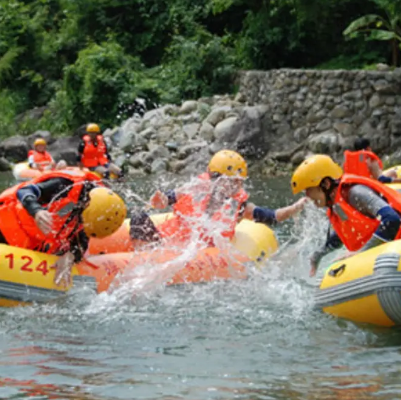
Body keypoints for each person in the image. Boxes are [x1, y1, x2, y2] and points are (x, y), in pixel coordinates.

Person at [130, 150, 308, 247]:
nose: (237, 186)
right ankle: (142, 257)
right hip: (171, 242)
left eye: (239, 182)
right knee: (138, 217)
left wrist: (295, 208)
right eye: (232, 182)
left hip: (201, 252)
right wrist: (157, 201)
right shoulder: (194, 188)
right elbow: (165, 201)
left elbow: (272, 216)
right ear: (216, 179)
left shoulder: (239, 205)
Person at [0, 169, 127, 286]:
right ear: (87, 205)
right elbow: (24, 191)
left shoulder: (92, 213)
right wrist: (37, 211)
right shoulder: (65, 185)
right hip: (5, 223)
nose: (82, 225)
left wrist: (71, 255)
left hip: (28, 243)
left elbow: (82, 240)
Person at [291, 154, 401, 277]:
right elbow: (342, 234)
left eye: (309, 189)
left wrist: (361, 252)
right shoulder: (338, 203)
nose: (307, 196)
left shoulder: (356, 193)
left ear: (326, 184)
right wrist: (318, 255)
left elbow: (392, 220)